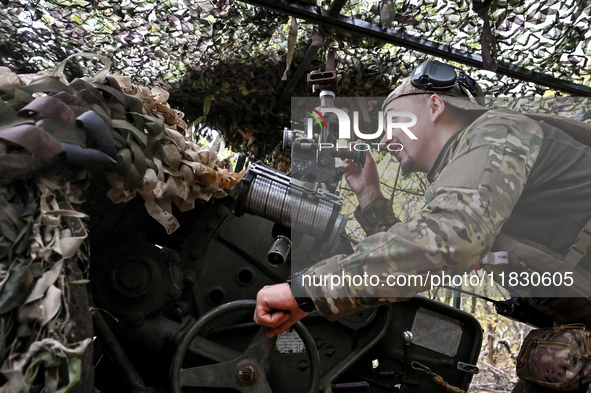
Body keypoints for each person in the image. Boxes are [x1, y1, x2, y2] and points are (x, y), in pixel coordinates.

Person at [254, 60, 591, 393]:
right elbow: (428, 254)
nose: (385, 141)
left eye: (393, 123)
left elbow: (449, 242)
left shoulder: (499, 130)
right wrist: (371, 197)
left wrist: (308, 290)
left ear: (434, 105)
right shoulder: (468, 174)